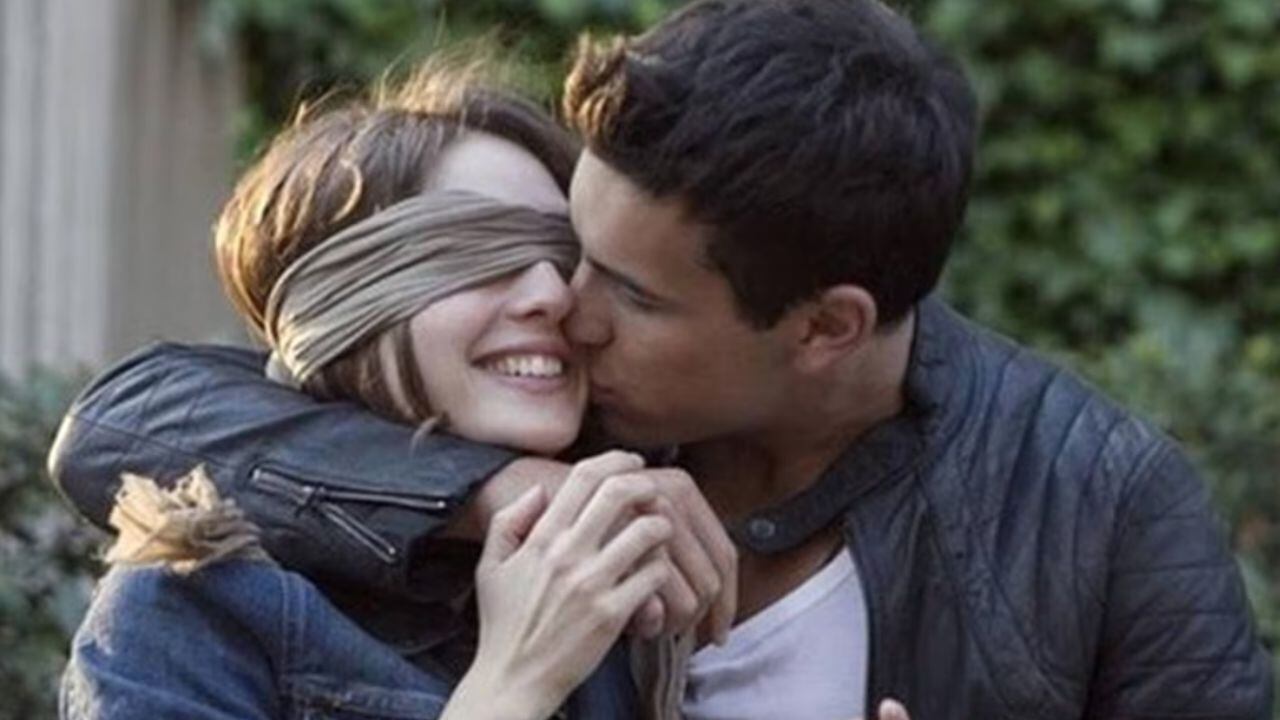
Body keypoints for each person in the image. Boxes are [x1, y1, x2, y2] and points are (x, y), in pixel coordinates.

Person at [51, 0, 1272, 718]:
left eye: (625, 291)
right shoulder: (549, 443)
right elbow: (127, 422)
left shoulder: (1093, 503)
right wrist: (491, 497)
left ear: (824, 327)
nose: (564, 309)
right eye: (562, 247)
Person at [58, 57, 685, 720]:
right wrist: (517, 681)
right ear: (349, 305)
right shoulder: (195, 605)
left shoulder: (643, 542)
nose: (553, 296)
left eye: (564, 255)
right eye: (476, 254)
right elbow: (115, 419)